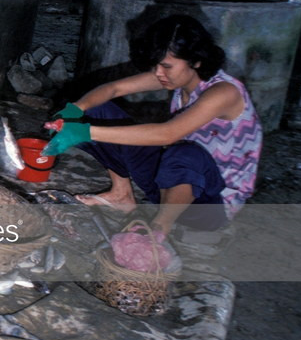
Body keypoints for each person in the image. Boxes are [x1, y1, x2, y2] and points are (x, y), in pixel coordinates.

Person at [42, 14, 262, 238]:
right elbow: (113, 89)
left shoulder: (224, 92)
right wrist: (75, 110)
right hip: (168, 184)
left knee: (186, 154)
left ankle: (159, 230)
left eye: (166, 66)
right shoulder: (177, 76)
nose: (158, 73)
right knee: (95, 109)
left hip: (210, 205)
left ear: (196, 61)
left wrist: (85, 131)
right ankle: (121, 194)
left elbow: (168, 134)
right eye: (156, 65)